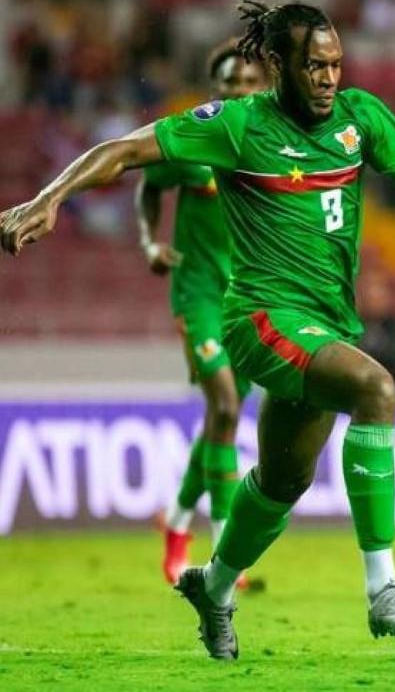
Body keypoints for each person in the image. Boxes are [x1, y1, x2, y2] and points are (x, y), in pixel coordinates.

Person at [0, 0, 395, 660]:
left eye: (334, 64)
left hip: (325, 325)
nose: (327, 78)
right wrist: (48, 200)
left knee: (281, 483)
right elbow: (125, 150)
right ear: (276, 65)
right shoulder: (238, 126)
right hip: (261, 319)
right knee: (376, 390)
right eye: (312, 65)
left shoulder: (359, 119)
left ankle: (212, 586)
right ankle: (383, 586)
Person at [137, 39, 266, 588]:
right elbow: (147, 186)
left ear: (264, 86)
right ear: (217, 89)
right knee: (227, 405)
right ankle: (220, 555)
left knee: (222, 418)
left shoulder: (273, 146)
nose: (238, 90)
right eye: (229, 83)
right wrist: (149, 244)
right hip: (198, 296)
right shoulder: (194, 143)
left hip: (249, 299)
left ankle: (177, 522)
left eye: (248, 82)